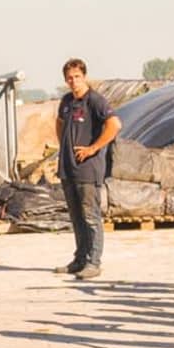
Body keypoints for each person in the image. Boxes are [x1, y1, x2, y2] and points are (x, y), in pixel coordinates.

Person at [55, 59, 118, 280]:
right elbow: (59, 123)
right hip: (68, 167)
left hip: (87, 169)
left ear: (85, 77)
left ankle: (93, 262)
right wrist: (64, 145)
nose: (73, 81)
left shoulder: (95, 101)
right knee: (76, 217)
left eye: (77, 77)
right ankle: (80, 259)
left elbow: (115, 124)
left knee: (91, 217)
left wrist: (93, 148)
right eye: (69, 78)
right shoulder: (66, 101)